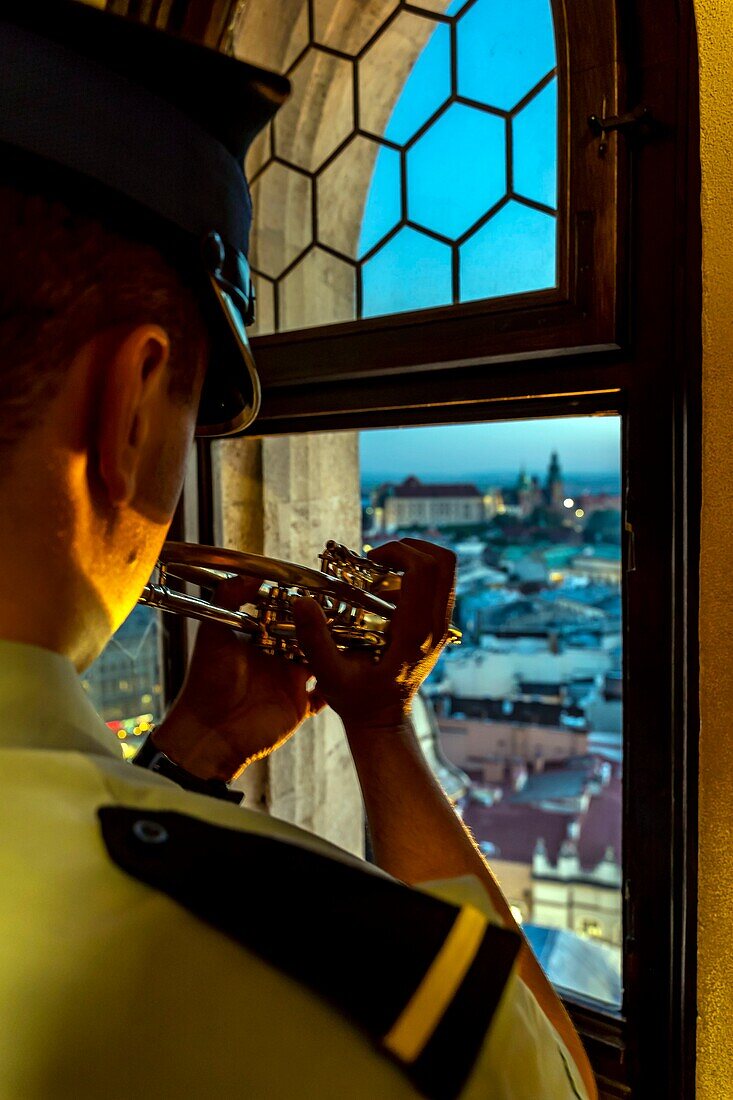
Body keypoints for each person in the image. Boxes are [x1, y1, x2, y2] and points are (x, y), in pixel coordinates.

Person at [0, 2, 596, 1097]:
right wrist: (380, 727)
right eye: (187, 423)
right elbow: (545, 1067)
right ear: (127, 403)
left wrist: (189, 759)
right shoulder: (340, 972)